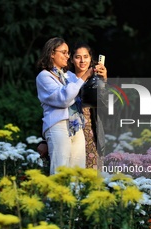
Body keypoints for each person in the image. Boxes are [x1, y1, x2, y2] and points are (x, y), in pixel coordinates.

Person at [37, 41, 108, 169]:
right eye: (65, 53)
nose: (67, 56)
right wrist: (44, 140)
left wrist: (102, 81)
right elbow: (61, 101)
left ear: (91, 59)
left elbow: (102, 102)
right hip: (61, 126)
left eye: (86, 57)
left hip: (81, 129)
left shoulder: (67, 78)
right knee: (61, 170)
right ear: (52, 53)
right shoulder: (49, 76)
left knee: (78, 174)